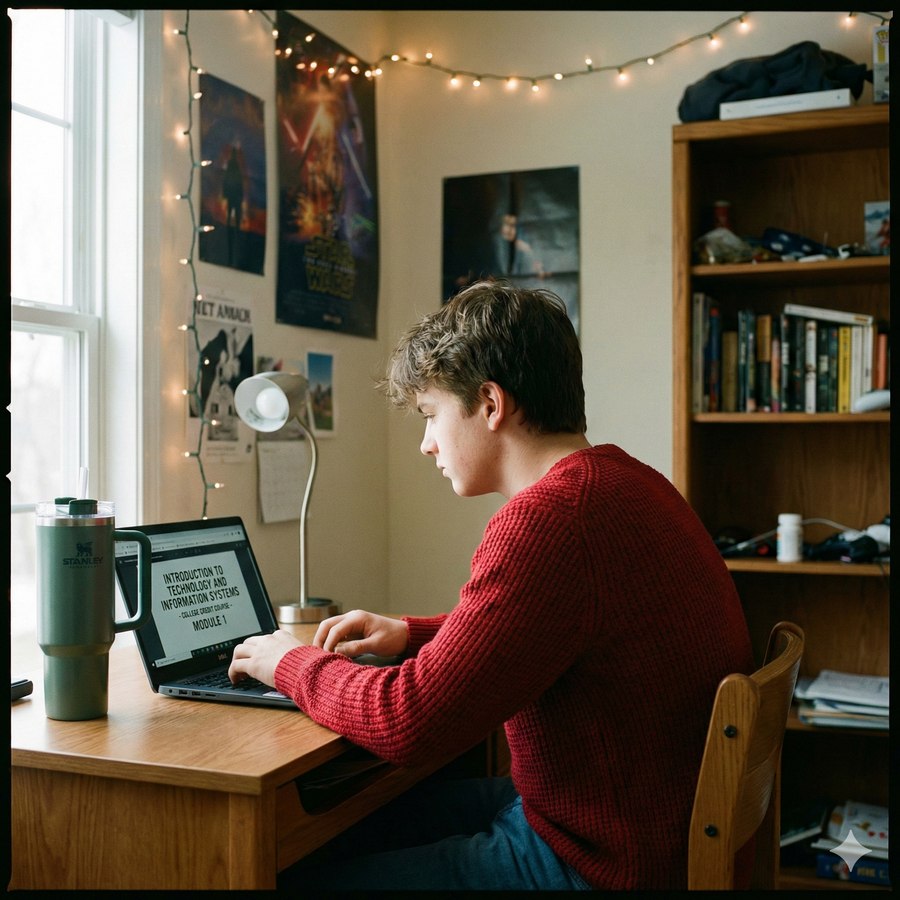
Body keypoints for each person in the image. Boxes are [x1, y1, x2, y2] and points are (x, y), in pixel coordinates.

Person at [228, 280, 754, 890]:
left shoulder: (549, 520)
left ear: (490, 403)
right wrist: (410, 635)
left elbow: (411, 721)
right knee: (332, 832)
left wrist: (287, 662)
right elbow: (549, 631)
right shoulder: (626, 482)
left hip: (601, 862)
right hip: (626, 822)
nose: (426, 444)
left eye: (430, 415)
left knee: (299, 875)